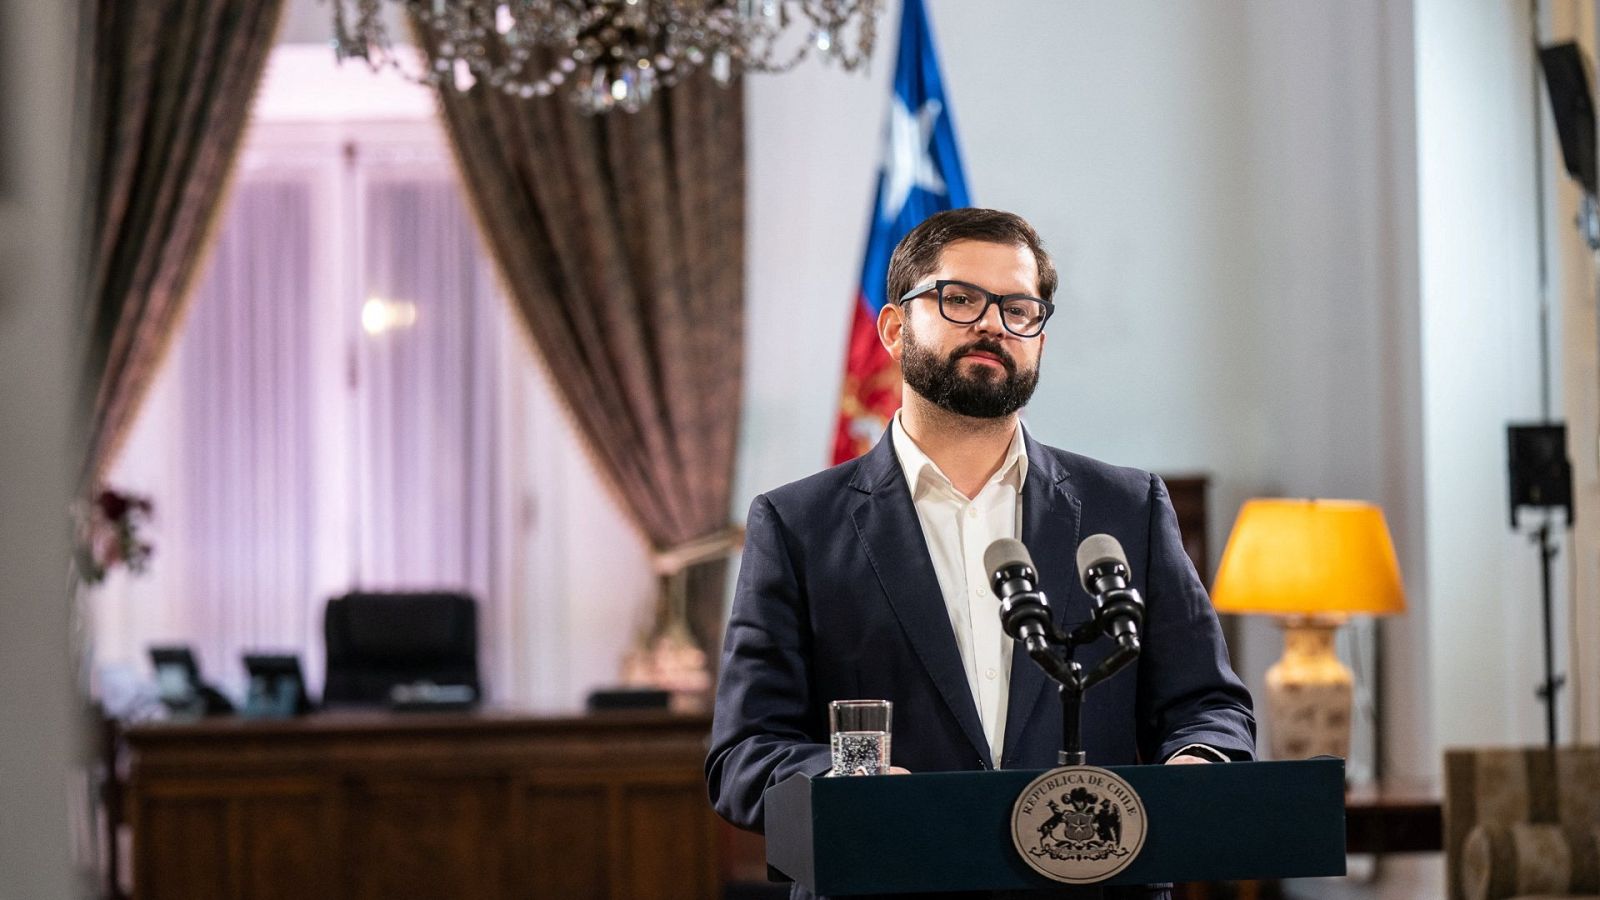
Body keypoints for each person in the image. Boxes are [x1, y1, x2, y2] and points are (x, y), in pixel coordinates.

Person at [706, 208, 1255, 898]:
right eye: (959, 299)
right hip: (888, 883)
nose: (992, 324)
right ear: (894, 329)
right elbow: (743, 755)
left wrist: (1196, 768)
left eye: (1018, 308)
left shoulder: (1126, 508)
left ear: (1040, 342)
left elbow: (1207, 704)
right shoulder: (796, 525)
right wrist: (846, 786)